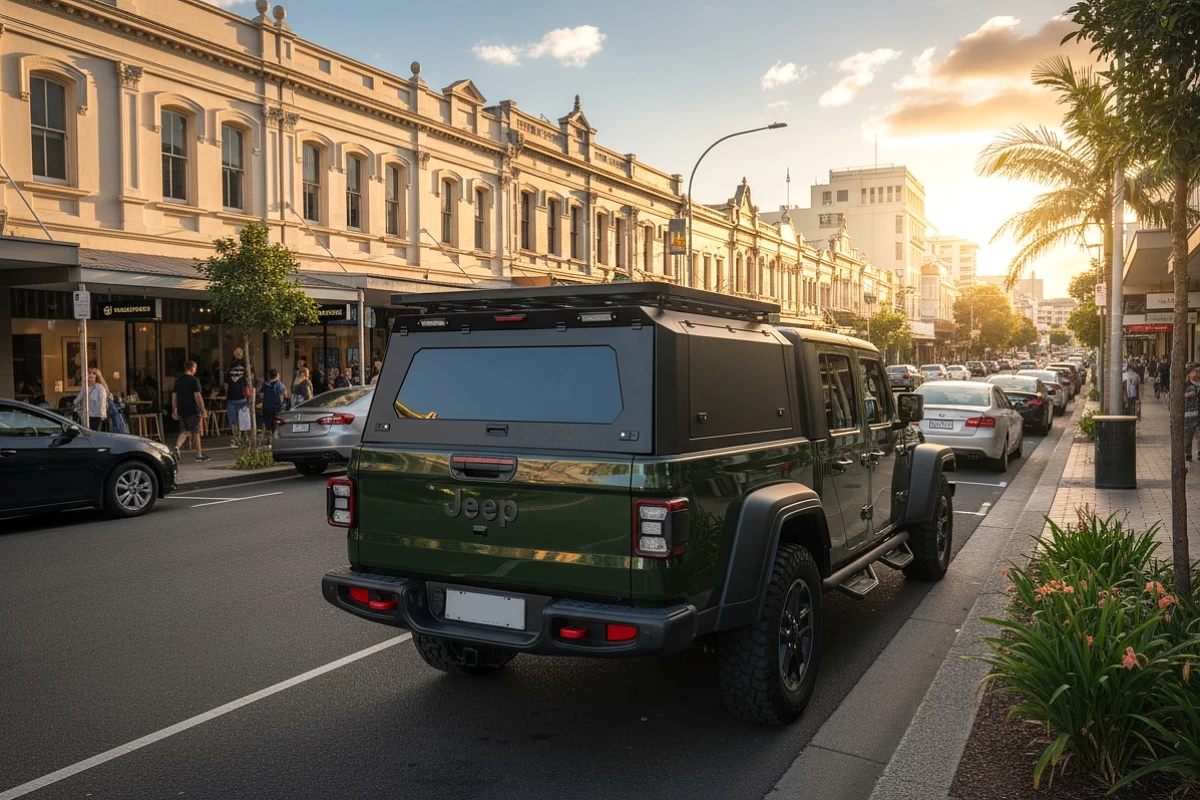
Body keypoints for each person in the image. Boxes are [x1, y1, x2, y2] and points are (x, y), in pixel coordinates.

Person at [171, 360, 209, 462]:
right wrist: (203, 409)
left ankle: (176, 447)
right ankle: (199, 454)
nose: (196, 370)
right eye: (195, 368)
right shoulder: (194, 380)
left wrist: (174, 409)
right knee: (195, 431)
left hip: (182, 409)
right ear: (192, 368)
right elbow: (197, 396)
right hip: (192, 409)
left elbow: (174, 396)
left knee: (184, 431)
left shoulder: (178, 380)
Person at [225, 347, 249, 433]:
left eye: (240, 352)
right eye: (237, 352)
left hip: (241, 396)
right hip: (232, 396)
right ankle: (237, 438)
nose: (238, 354)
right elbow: (226, 381)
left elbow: (250, 379)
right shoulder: (230, 365)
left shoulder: (246, 365)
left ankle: (240, 439)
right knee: (234, 420)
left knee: (241, 420)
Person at [1184, 363, 1200, 462]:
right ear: (1189, 373)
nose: (1198, 373)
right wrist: (1187, 395)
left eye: (1199, 371)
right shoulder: (1186, 384)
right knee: (1188, 436)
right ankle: (1188, 453)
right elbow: (1177, 395)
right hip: (1190, 415)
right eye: (1196, 371)